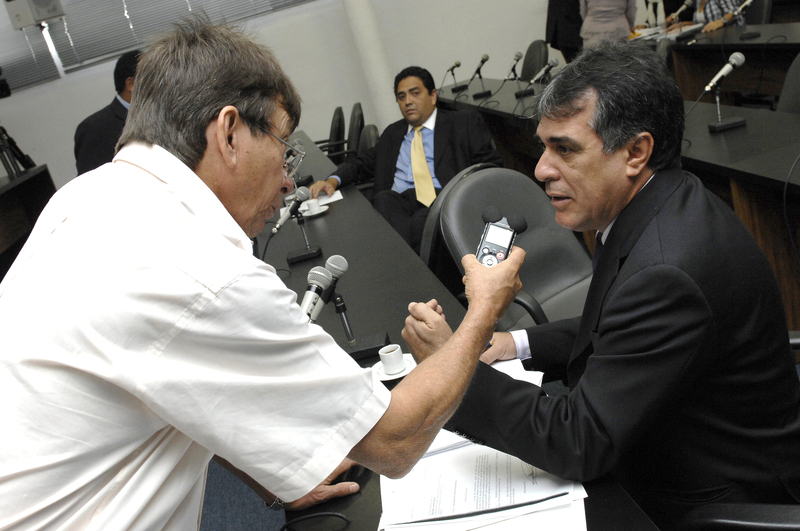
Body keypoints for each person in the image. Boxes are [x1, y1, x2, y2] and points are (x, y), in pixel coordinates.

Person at [0, 18, 526, 529]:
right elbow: (395, 440)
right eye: (283, 147)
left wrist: (272, 472)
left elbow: (173, 376)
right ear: (229, 133)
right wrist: (483, 310)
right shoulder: (203, 271)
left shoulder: (84, 196)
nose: (288, 181)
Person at [403, 41, 800, 531]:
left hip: (704, 495)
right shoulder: (660, 201)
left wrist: (453, 369)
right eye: (544, 146)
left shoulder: (665, 269)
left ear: (636, 152)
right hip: (667, 437)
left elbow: (578, 442)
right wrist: (514, 342)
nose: (540, 169)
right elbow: (619, 326)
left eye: (565, 149)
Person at [309, 66, 502, 254]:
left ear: (433, 96)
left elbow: (489, 166)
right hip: (398, 202)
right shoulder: (392, 133)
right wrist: (333, 180)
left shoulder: (463, 123)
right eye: (401, 97)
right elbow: (362, 163)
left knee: (420, 223)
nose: (408, 101)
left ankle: (406, 267)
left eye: (415, 93)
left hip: (442, 199)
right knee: (383, 199)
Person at [73, 49, 141, 175]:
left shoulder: (159, 115)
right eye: (152, 80)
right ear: (131, 84)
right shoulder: (93, 128)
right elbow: (91, 180)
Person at [667, 0, 744, 33]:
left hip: (727, 37)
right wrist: (684, 24)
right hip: (708, 39)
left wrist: (720, 21)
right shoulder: (698, 1)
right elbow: (704, 23)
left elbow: (734, 13)